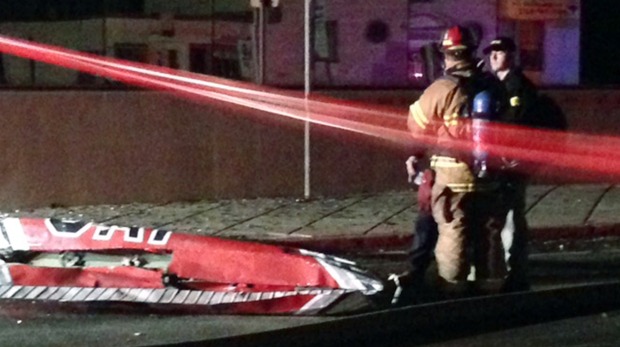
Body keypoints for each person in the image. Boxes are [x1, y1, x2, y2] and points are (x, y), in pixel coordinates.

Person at [407, 26, 508, 296]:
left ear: (447, 55)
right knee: (489, 230)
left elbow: (416, 127)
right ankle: (492, 282)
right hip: (490, 175)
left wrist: (415, 156)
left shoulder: (442, 88)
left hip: (453, 177)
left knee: (454, 229)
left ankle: (453, 285)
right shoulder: (492, 86)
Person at [483, 36, 567, 292]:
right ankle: (504, 270)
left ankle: (515, 273)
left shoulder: (518, 87)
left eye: (500, 51)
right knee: (504, 215)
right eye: (492, 52)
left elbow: (514, 124)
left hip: (511, 163)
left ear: (512, 54)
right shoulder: (495, 84)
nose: (494, 56)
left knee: (510, 216)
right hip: (499, 161)